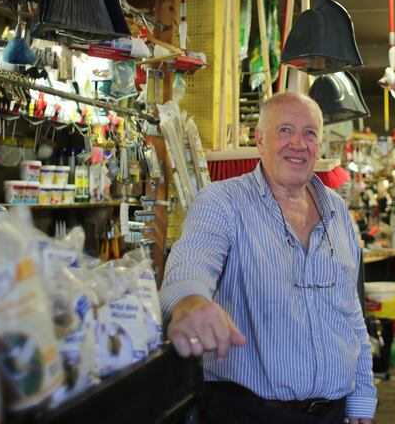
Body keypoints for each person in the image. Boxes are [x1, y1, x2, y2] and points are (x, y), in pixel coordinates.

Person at [160, 92, 376, 424]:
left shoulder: (337, 210)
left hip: (332, 413)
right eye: (285, 130)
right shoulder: (222, 201)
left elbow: (350, 314)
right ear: (260, 140)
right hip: (249, 414)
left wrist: (362, 394)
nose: (299, 143)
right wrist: (190, 301)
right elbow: (191, 263)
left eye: (310, 133)